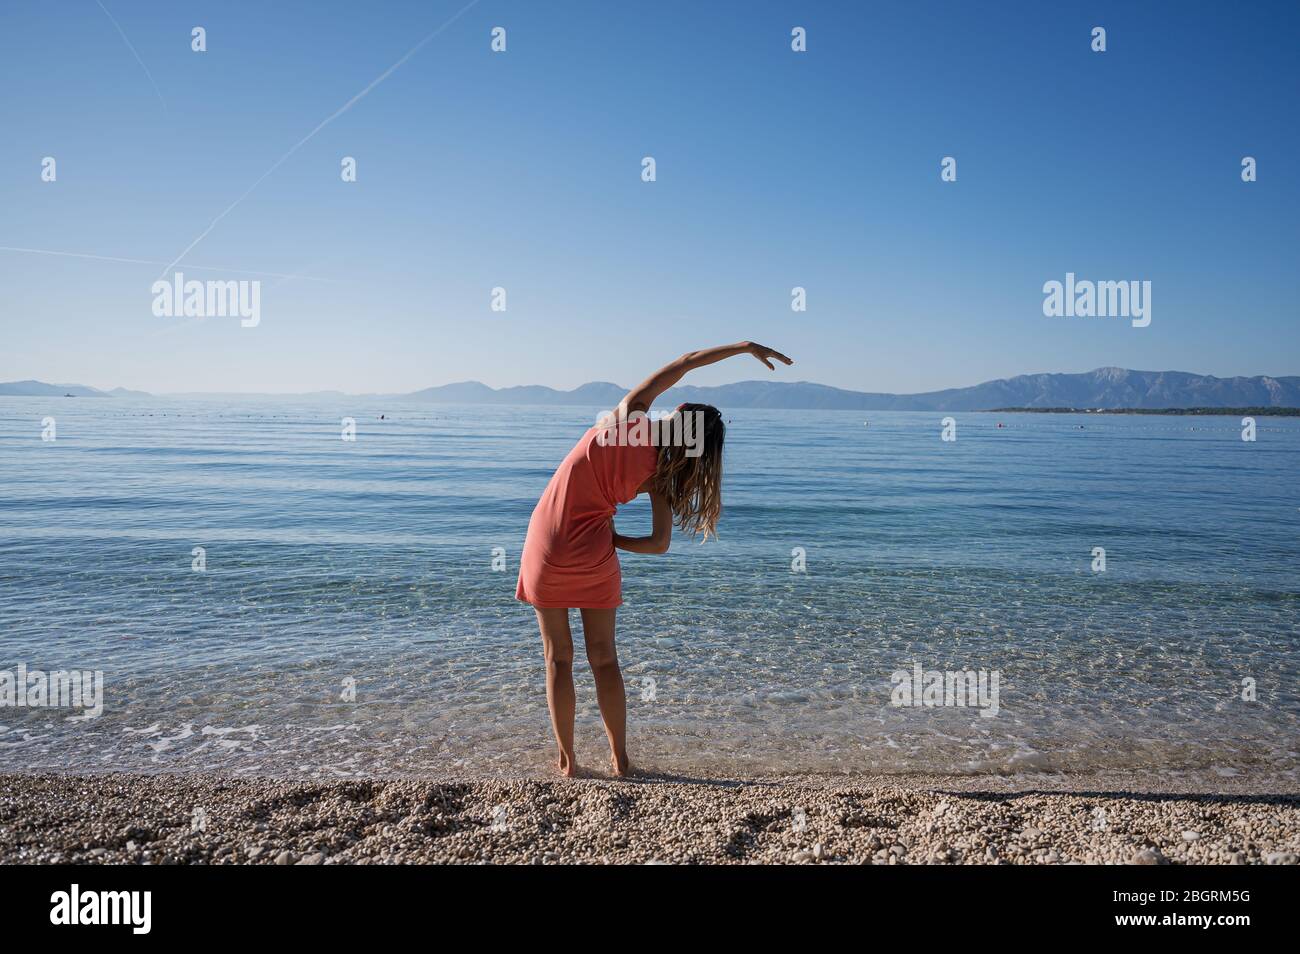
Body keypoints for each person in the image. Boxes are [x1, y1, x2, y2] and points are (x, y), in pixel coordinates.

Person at [516, 341, 793, 776]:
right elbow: (659, 543)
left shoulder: (628, 420)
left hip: (546, 541)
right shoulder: (664, 478)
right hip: (596, 550)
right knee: (604, 658)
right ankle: (620, 760)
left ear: (678, 415)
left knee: (558, 657)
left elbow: (683, 364)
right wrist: (614, 539)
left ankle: (568, 762)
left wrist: (742, 347)